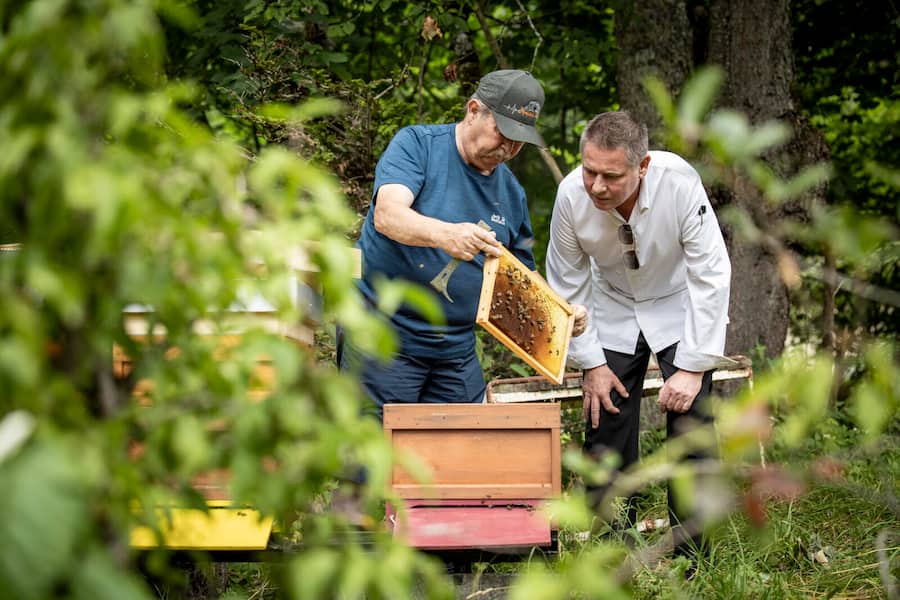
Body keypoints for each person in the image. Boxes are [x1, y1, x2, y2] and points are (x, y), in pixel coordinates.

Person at [339, 69, 587, 419]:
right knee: (375, 463)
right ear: (473, 110)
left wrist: (561, 312)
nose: (509, 148)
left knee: (462, 457)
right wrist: (448, 234)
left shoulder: (512, 193)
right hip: (384, 336)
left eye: (519, 141)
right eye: (503, 132)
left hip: (454, 350)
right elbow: (388, 215)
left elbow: (522, 274)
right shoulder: (417, 145)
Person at [545, 110, 732, 563]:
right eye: (589, 171)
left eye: (611, 176)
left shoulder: (679, 182)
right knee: (605, 421)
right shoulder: (571, 196)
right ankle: (610, 557)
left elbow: (710, 272)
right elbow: (566, 286)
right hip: (610, 304)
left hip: (675, 300)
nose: (597, 186)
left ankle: (694, 558)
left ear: (642, 166)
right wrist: (590, 362)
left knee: (693, 426)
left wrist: (691, 367)